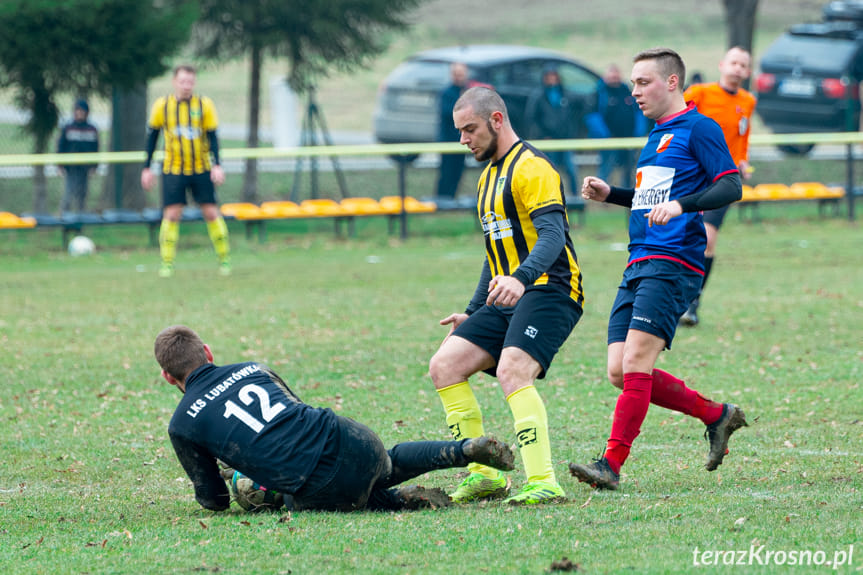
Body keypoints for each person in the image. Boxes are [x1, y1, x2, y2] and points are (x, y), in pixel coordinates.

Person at [568, 48, 747, 491]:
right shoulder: (655, 135)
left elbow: (731, 184)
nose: (634, 92)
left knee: (636, 361)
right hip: (639, 260)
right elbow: (652, 200)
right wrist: (612, 193)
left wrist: (684, 205)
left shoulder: (699, 127)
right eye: (631, 83)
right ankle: (717, 415)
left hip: (675, 261)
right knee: (619, 371)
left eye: (642, 82)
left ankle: (610, 464)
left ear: (671, 82)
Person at [154, 325, 516, 513]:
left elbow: (214, 501)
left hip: (317, 481)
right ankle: (464, 449)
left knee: (293, 501)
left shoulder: (182, 423)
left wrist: (233, 477)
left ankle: (398, 500)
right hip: (347, 434)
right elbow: (293, 408)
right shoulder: (254, 368)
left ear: (168, 377)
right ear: (207, 352)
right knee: (387, 462)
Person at [429, 86, 585, 505]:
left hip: (551, 287)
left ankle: (543, 482)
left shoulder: (532, 168)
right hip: (508, 291)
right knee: (445, 365)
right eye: (459, 131)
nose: (464, 140)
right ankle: (485, 475)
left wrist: (521, 277)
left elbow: (553, 235)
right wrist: (472, 312)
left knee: (512, 370)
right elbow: (492, 254)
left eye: (470, 130)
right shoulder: (486, 179)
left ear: (497, 121)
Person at [679, 47, 756, 327]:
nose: (737, 68)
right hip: (692, 177)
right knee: (682, 237)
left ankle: (693, 302)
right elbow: (676, 119)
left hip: (722, 180)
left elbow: (742, 136)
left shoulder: (747, 100)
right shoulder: (699, 93)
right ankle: (674, 299)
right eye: (733, 62)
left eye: (743, 65)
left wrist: (743, 160)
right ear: (723, 64)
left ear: (747, 72)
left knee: (708, 239)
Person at [141, 65, 230, 278]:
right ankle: (167, 263)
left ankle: (224, 259)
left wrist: (217, 165)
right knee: (171, 214)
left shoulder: (204, 105)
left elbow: (213, 136)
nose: (187, 85)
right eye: (183, 81)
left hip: (200, 168)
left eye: (190, 81)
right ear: (174, 82)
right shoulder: (162, 106)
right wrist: (147, 168)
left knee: (210, 212)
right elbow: (152, 138)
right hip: (174, 169)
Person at [526, 64, 579, 195]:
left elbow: (572, 116)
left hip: (565, 139)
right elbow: (532, 118)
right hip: (549, 140)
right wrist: (543, 135)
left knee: (571, 169)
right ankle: (553, 195)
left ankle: (575, 197)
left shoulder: (565, 94)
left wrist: (570, 133)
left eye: (554, 76)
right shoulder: (538, 96)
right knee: (551, 170)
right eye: (548, 76)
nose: (551, 79)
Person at [591, 64, 647, 188]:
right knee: (606, 168)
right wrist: (604, 135)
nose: (614, 78)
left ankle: (626, 197)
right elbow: (593, 116)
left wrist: (638, 132)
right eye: (611, 75)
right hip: (609, 140)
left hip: (629, 140)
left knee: (628, 170)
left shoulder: (627, 91)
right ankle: (599, 193)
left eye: (616, 75)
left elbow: (638, 112)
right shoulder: (600, 93)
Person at [435, 62, 470, 200]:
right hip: (448, 140)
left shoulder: (467, 92)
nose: (459, 77)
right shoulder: (447, 93)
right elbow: (448, 113)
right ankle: (442, 198)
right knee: (446, 171)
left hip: (462, 141)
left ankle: (452, 198)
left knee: (458, 171)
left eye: (461, 74)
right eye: (456, 74)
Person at [57, 99, 99, 213]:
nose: (79, 114)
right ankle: (65, 219)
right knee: (68, 194)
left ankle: (80, 220)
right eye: (77, 111)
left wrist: (94, 166)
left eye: (82, 111)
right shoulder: (68, 128)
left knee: (82, 194)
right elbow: (61, 147)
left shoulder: (92, 129)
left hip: (85, 167)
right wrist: (60, 165)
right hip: (71, 167)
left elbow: (95, 149)